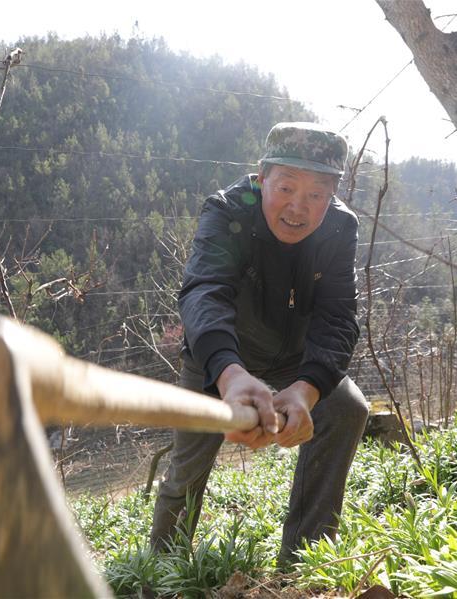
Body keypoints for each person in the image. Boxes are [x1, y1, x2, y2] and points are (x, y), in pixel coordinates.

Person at [150, 122, 369, 566]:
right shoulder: (229, 212)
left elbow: (338, 314)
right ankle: (162, 572)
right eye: (286, 187)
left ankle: (305, 560)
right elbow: (204, 291)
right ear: (262, 176)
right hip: (221, 356)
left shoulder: (339, 228)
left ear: (332, 195)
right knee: (187, 466)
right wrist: (228, 374)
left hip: (295, 357)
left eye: (316, 195)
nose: (298, 207)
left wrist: (307, 389)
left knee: (347, 408)